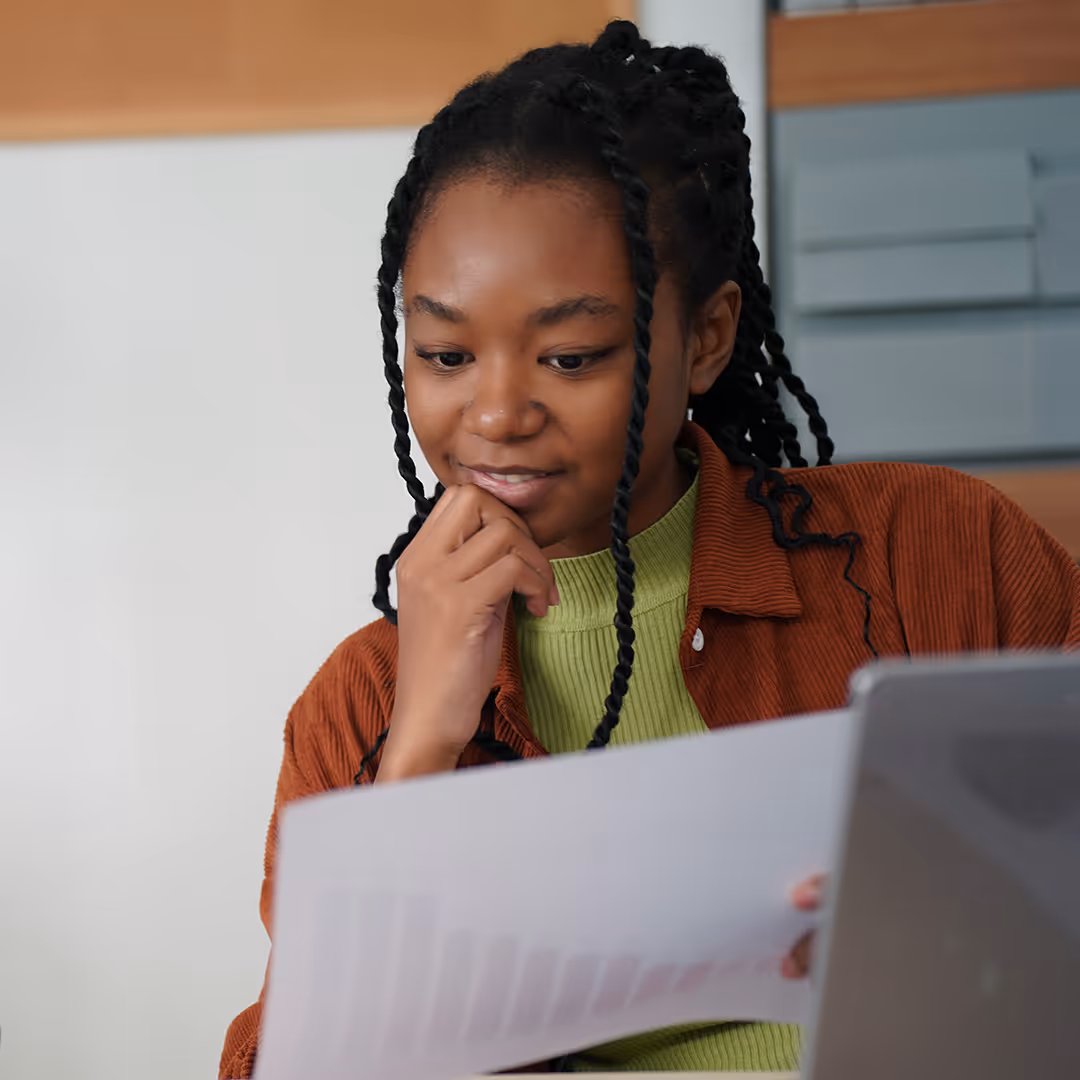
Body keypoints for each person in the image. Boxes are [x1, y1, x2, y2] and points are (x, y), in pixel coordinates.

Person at [220, 19, 1080, 1078]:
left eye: (571, 355)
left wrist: (962, 925)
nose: (495, 413)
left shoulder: (936, 561)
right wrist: (418, 758)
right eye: (443, 351)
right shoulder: (357, 709)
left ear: (707, 338)